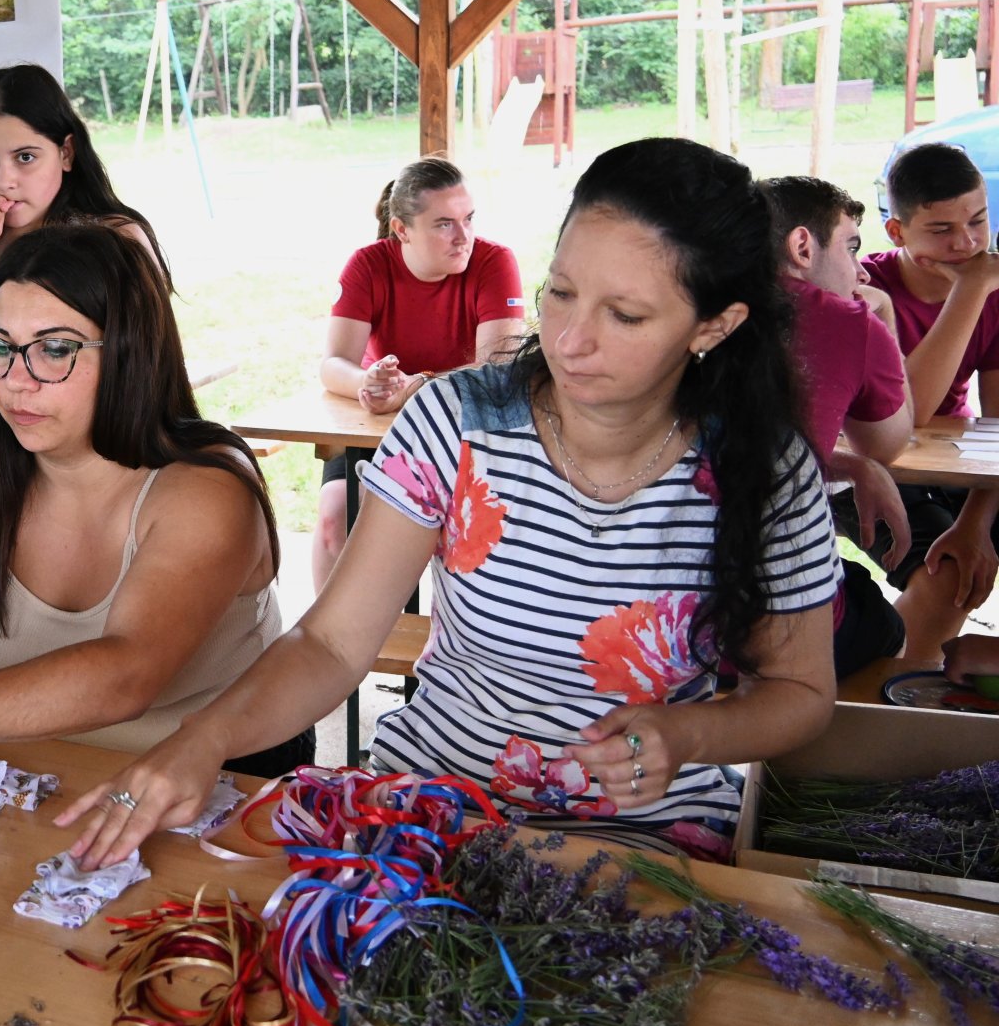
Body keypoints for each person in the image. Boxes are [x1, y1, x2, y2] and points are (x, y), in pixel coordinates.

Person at [62, 138, 840, 867]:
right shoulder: (458, 422)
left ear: (715, 324)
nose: (569, 341)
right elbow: (333, 645)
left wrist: (688, 730)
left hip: (644, 838)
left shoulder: (764, 471)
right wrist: (205, 738)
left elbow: (801, 694)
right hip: (433, 805)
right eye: (560, 293)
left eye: (626, 316)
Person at [0, 223, 310, 790]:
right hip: (45, 780)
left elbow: (127, 671)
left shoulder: (206, 490)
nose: (17, 380)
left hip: (224, 788)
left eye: (56, 349)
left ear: (129, 353)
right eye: (0, 346)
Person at [0, 64, 169, 436]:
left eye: (25, 157)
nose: (3, 180)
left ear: (66, 153)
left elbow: (148, 374)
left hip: (98, 460)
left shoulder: (118, 240)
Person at [311, 157, 526, 590]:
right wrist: (367, 383)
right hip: (381, 430)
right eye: (443, 224)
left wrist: (417, 387)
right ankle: (334, 649)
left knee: (469, 530)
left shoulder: (495, 262)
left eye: (468, 219)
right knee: (336, 515)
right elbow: (333, 363)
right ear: (402, 229)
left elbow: (498, 364)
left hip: (467, 432)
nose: (463, 236)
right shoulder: (368, 265)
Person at [763, 175, 913, 676]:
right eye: (851, 248)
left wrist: (842, 462)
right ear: (802, 246)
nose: (860, 272)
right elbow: (887, 442)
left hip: (644, 609)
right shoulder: (849, 321)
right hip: (774, 621)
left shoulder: (692, 306)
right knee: (882, 624)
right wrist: (882, 316)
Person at [858, 144, 995, 659]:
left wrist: (975, 523)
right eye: (941, 231)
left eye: (978, 222)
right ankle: (880, 700)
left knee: (968, 555)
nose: (966, 244)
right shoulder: (866, 291)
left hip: (961, 466)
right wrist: (971, 292)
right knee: (949, 575)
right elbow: (902, 416)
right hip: (866, 464)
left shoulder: (992, 290)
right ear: (897, 232)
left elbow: (997, 430)